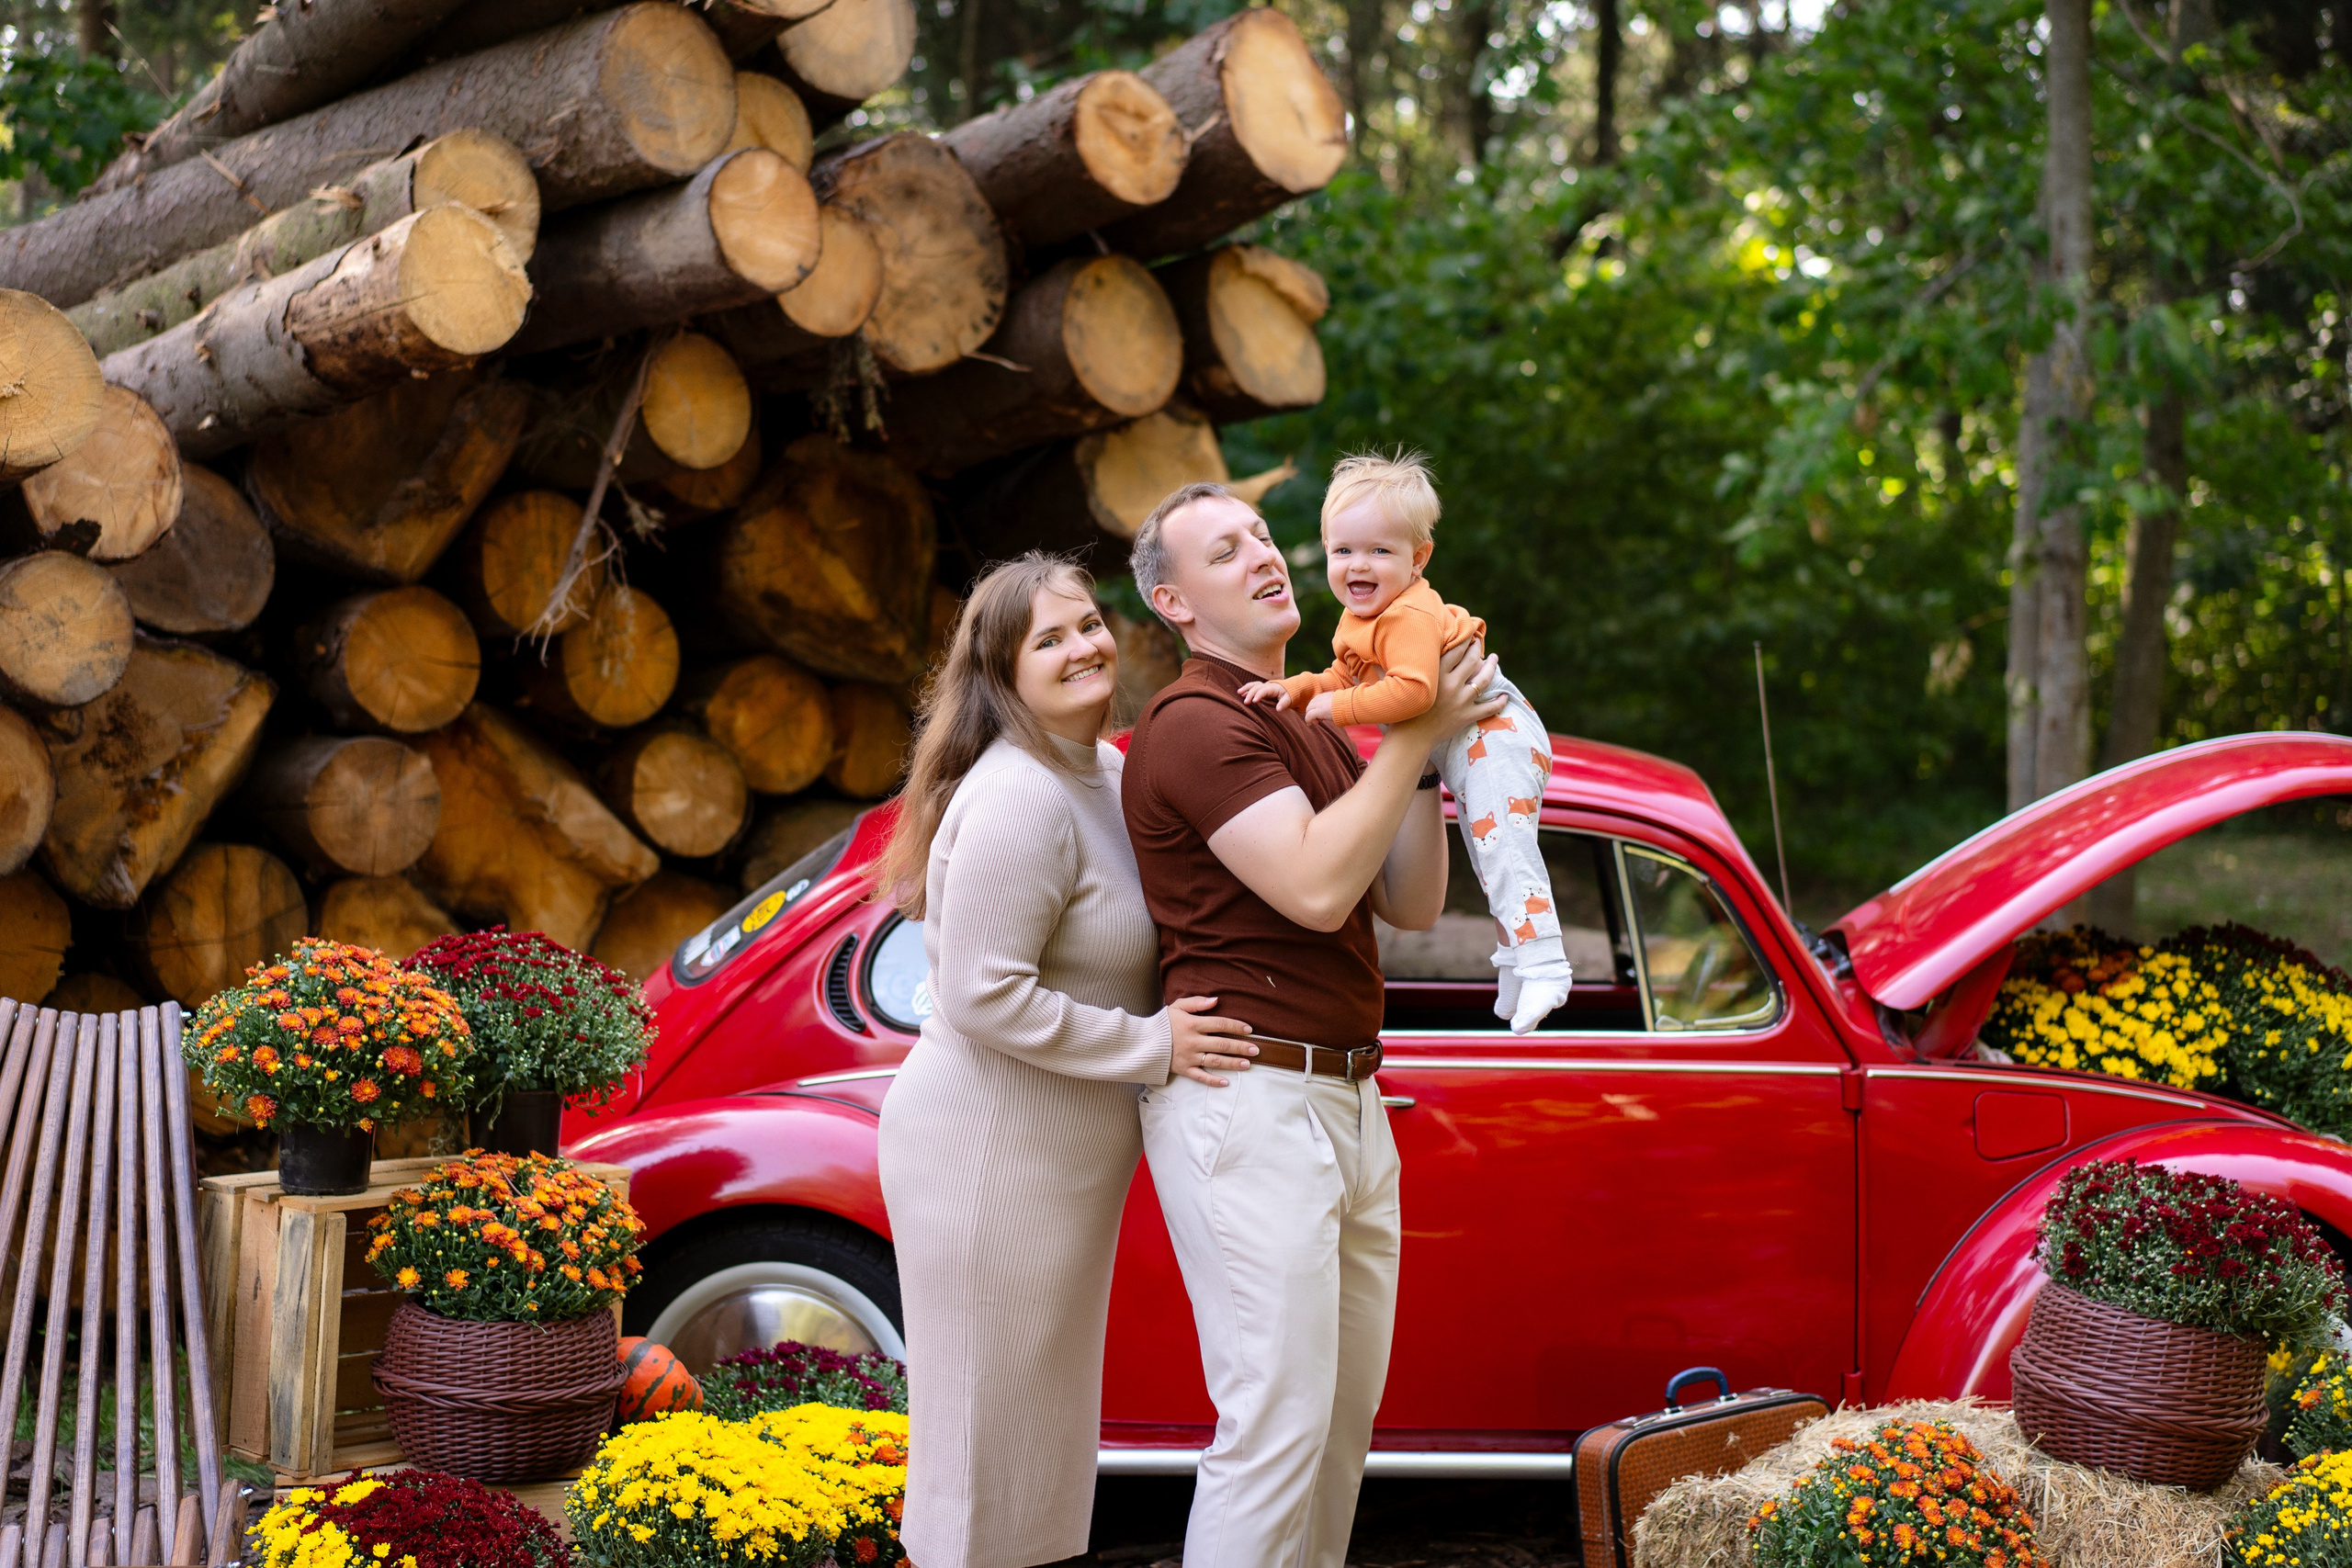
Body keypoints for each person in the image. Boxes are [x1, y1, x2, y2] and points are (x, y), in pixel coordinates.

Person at [1121, 484, 1504, 1568]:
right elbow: (1312, 888)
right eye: (1222, 550)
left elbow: (1412, 902)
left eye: (1258, 537)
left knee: (1337, 1436)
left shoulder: (1313, 712)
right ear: (1173, 602)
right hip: (1249, 1103)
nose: (1262, 556)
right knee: (1275, 1433)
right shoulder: (1197, 724)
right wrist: (1409, 731)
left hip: (1346, 1096)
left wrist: (1419, 750)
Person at [875, 552, 1258, 1568]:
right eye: (1048, 638)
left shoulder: (1111, 774)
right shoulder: (1019, 796)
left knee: (1040, 1439)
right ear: (1003, 675)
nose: (1082, 646)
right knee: (980, 1442)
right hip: (985, 1156)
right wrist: (1151, 1045)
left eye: (1087, 624)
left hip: (1058, 1166)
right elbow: (981, 992)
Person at [1236, 451, 1572, 1032]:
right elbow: (1346, 675)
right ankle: (1517, 961)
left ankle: (1546, 963)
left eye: (1379, 552)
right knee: (1484, 846)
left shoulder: (1407, 617)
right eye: (1342, 551)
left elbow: (1415, 694)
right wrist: (1292, 689)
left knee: (1502, 847)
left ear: (1418, 559)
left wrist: (1336, 709)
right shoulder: (1360, 617)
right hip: (1463, 737)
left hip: (1494, 730)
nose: (1356, 566)